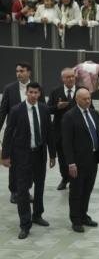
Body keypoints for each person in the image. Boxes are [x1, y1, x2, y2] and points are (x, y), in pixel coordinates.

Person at [1, 81, 56, 239]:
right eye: (30, 92)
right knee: (23, 190)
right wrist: (5, 156)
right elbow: (8, 133)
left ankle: (37, 214)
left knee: (40, 186)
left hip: (39, 154)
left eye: (36, 93)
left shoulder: (44, 110)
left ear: (40, 94)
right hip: (22, 155)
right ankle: (25, 224)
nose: (33, 95)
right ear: (26, 93)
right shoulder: (16, 110)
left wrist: (52, 154)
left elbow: (49, 133)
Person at [61, 87, 99, 232]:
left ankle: (83, 214)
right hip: (78, 161)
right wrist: (70, 163)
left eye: (89, 98)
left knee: (87, 189)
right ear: (77, 99)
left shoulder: (94, 113)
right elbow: (66, 142)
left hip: (92, 159)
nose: (87, 101)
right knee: (76, 191)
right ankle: (76, 219)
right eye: (84, 99)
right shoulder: (69, 116)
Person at [1, 63, 32, 202]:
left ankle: (25, 190)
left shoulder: (36, 88)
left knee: (30, 164)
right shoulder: (9, 89)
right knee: (14, 164)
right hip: (14, 134)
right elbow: (2, 112)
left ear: (29, 72)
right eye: (17, 71)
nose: (18, 73)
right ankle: (14, 191)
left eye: (22, 71)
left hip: (32, 134)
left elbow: (43, 108)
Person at [48, 68, 79, 190]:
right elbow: (48, 109)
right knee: (62, 157)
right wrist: (57, 107)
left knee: (77, 155)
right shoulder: (56, 91)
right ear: (62, 79)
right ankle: (65, 178)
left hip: (77, 131)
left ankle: (75, 179)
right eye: (68, 77)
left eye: (72, 76)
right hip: (60, 131)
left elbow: (90, 108)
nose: (71, 79)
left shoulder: (82, 90)